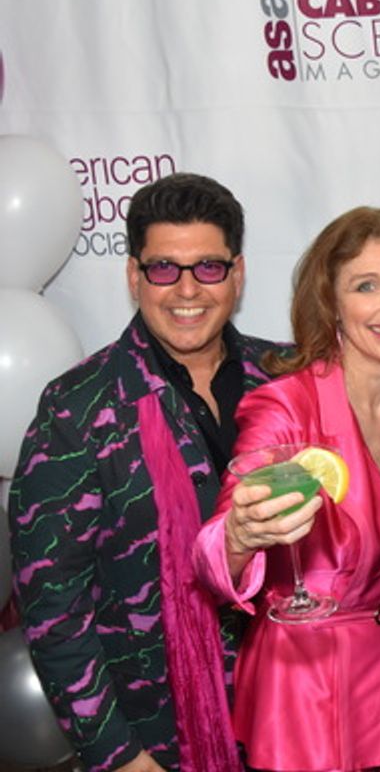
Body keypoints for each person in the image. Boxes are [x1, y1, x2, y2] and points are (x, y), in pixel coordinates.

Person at [7, 173, 283, 772]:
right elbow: (55, 613)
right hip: (157, 743)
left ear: (237, 274)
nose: (188, 289)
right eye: (164, 268)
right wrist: (123, 759)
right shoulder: (78, 408)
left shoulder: (284, 380)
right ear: (134, 277)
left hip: (290, 724)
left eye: (208, 267)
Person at [192, 207, 380, 770]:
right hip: (305, 693)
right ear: (332, 304)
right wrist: (240, 535)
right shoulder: (285, 406)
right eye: (367, 286)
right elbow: (215, 551)